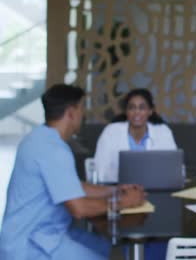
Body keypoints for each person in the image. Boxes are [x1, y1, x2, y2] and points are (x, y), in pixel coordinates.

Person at [0, 84, 145, 260]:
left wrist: (115, 190)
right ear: (71, 112)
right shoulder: (54, 149)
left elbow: (71, 186)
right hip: (31, 245)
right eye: (81, 108)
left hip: (41, 233)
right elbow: (79, 209)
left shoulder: (38, 137)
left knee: (106, 248)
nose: (82, 114)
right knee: (111, 256)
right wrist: (123, 202)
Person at [94, 88, 178, 183]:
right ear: (126, 111)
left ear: (150, 111)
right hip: (119, 190)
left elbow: (173, 169)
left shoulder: (163, 132)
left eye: (142, 108)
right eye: (132, 108)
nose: (136, 112)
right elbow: (100, 170)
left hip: (155, 188)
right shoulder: (111, 132)